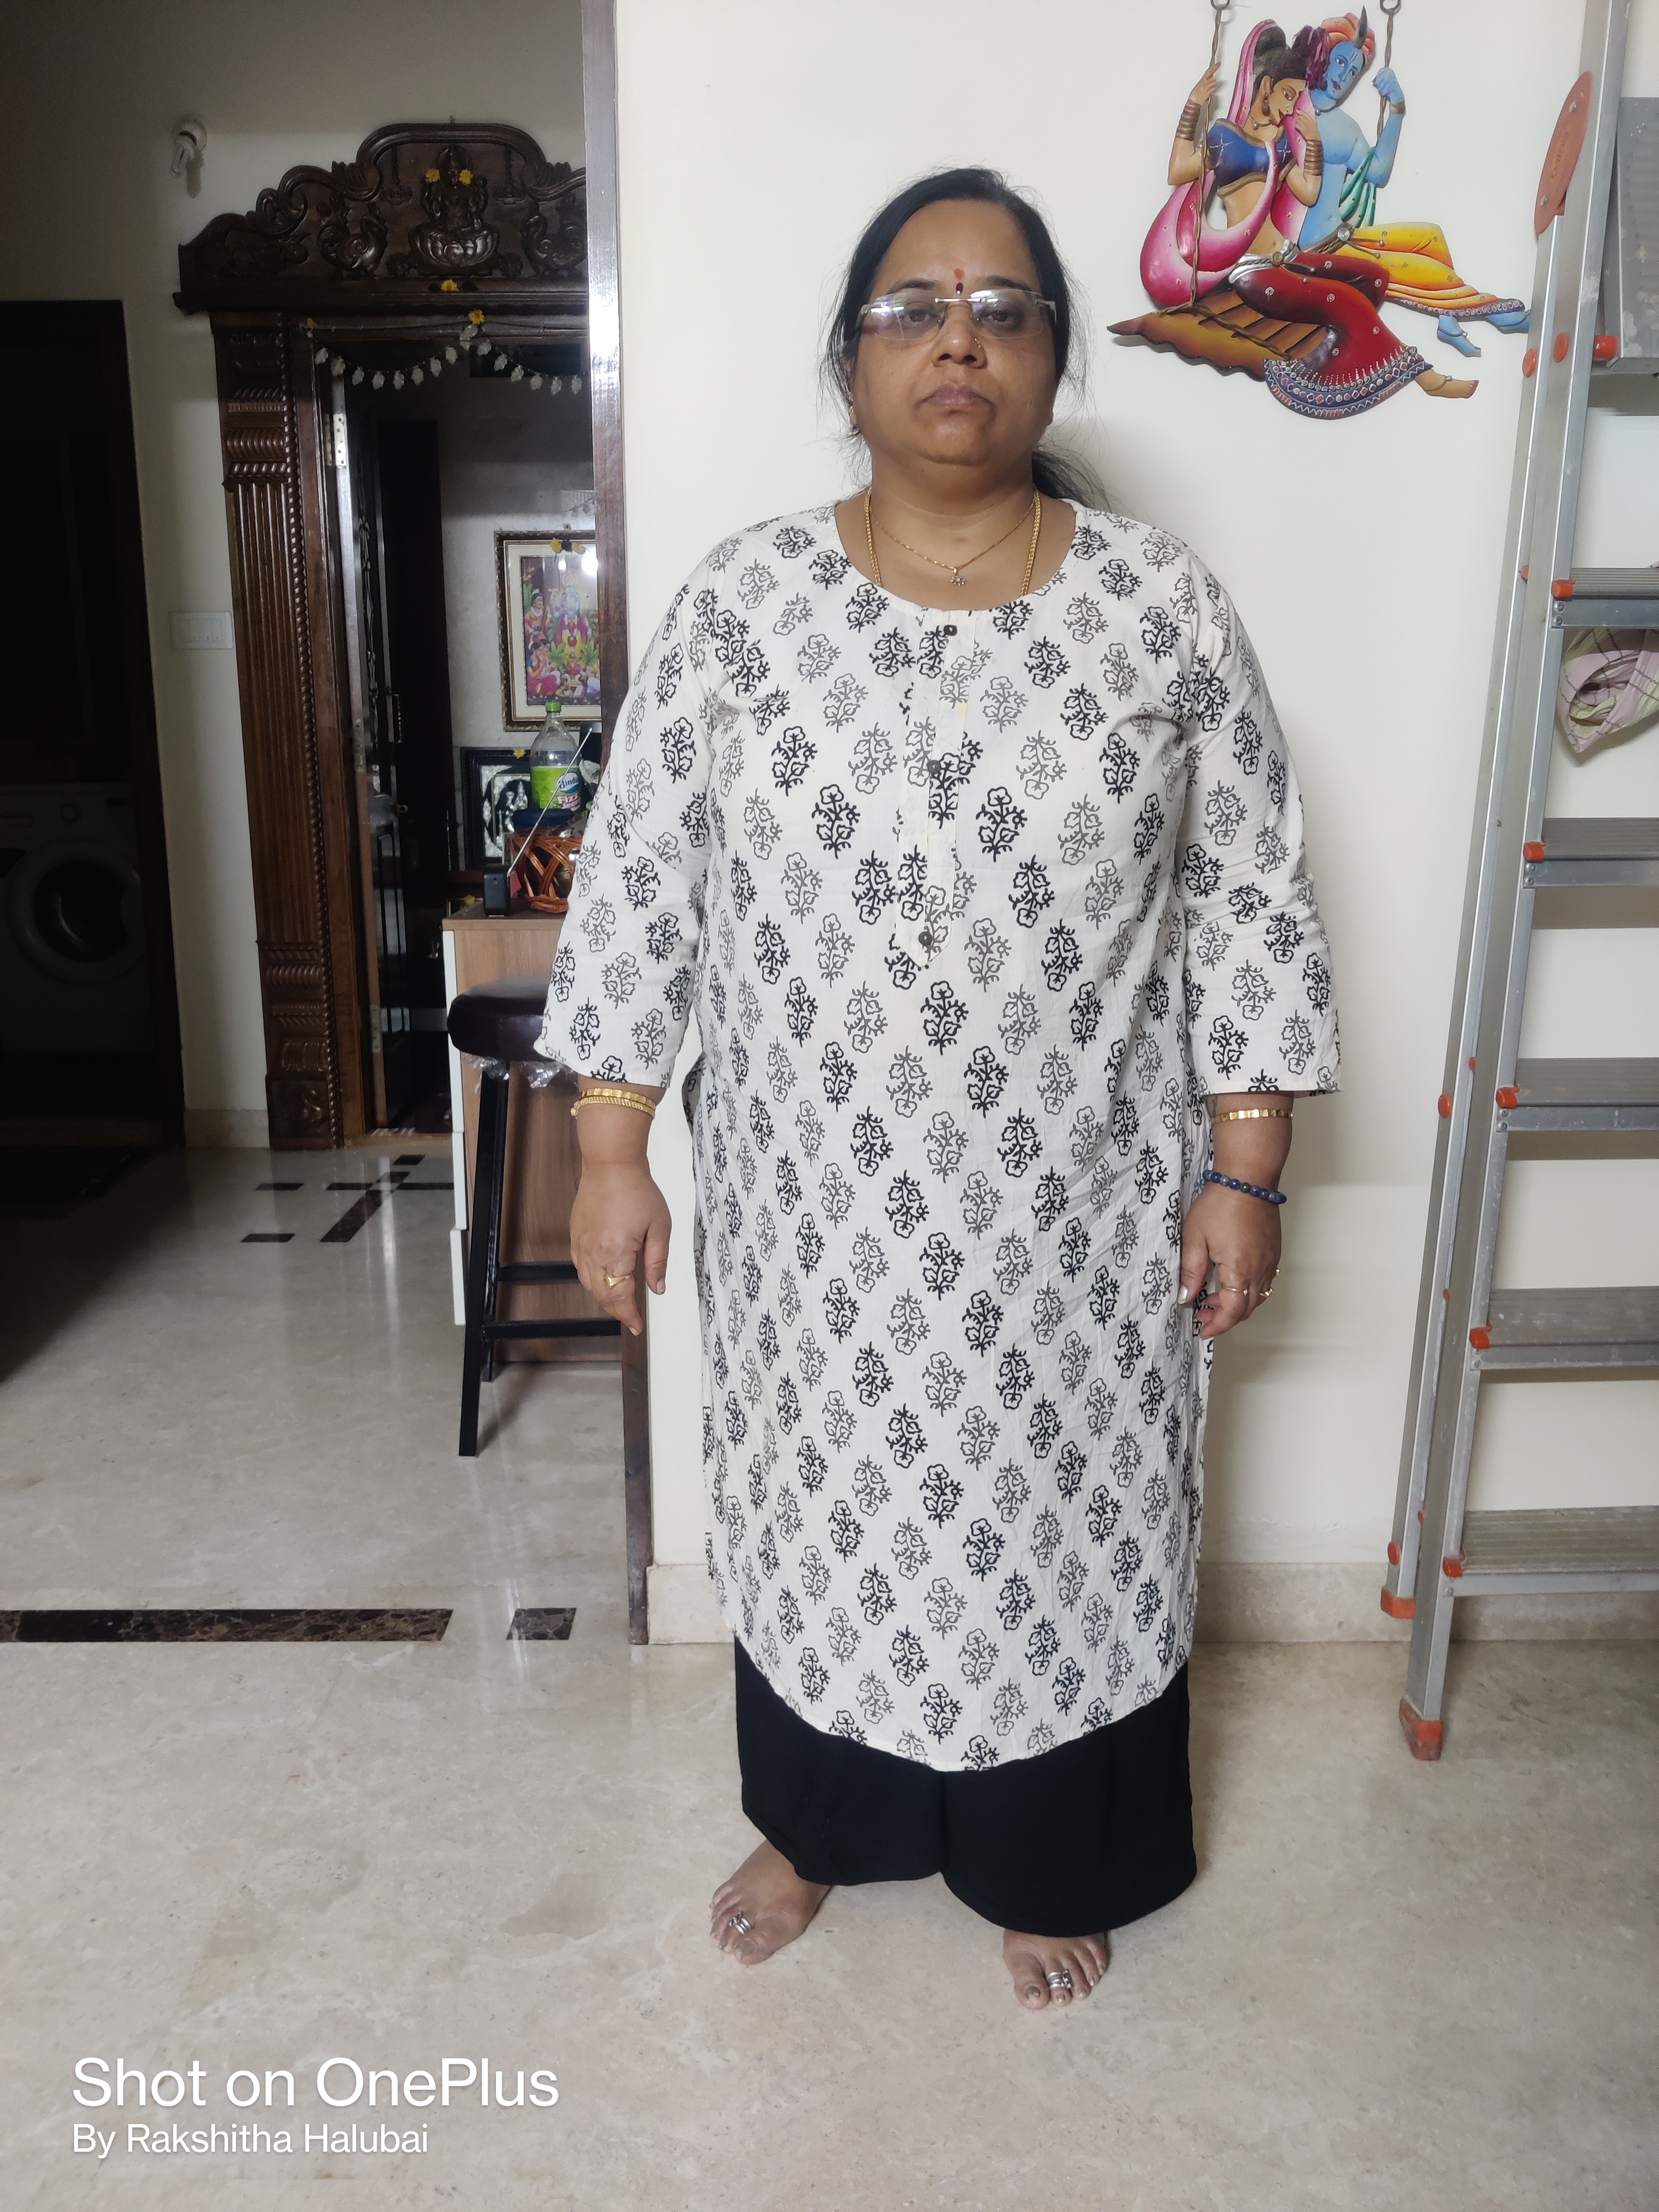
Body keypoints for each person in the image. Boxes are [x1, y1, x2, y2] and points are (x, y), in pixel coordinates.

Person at [537, 167, 1341, 2011]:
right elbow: (645, 880)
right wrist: (611, 1150)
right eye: (914, 308)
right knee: (826, 1512)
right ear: (852, 359)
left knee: (1067, 1527)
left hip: (1081, 1216)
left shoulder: (1161, 607)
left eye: (1002, 308)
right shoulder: (743, 605)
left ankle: (1053, 1856)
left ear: (1055, 358)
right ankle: (822, 1826)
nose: (957, 340)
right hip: (817, 1222)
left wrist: (1248, 1165)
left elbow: (1249, 891)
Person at [1157, 21, 1475, 416]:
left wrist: (1313, 143)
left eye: (1297, 98)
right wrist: (1193, 106)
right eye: (1288, 96)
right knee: (1349, 301)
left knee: (1375, 277)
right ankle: (1423, 375)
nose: (1291, 108)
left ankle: (1328, 351)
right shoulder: (1227, 137)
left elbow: (1308, 192)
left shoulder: (1280, 144)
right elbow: (1178, 170)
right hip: (1255, 272)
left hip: (1288, 257)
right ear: (1267, 87)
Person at [1294, 12, 1527, 355]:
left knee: (1431, 236)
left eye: (1354, 71)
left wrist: (1398, 110)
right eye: (1341, 62)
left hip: (1343, 235)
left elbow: (1378, 171)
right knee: (1417, 268)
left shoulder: (1346, 127)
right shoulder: (1293, 105)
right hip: (1315, 247)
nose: (1344, 77)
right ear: (1324, 57)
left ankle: (1447, 319)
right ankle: (1496, 311)